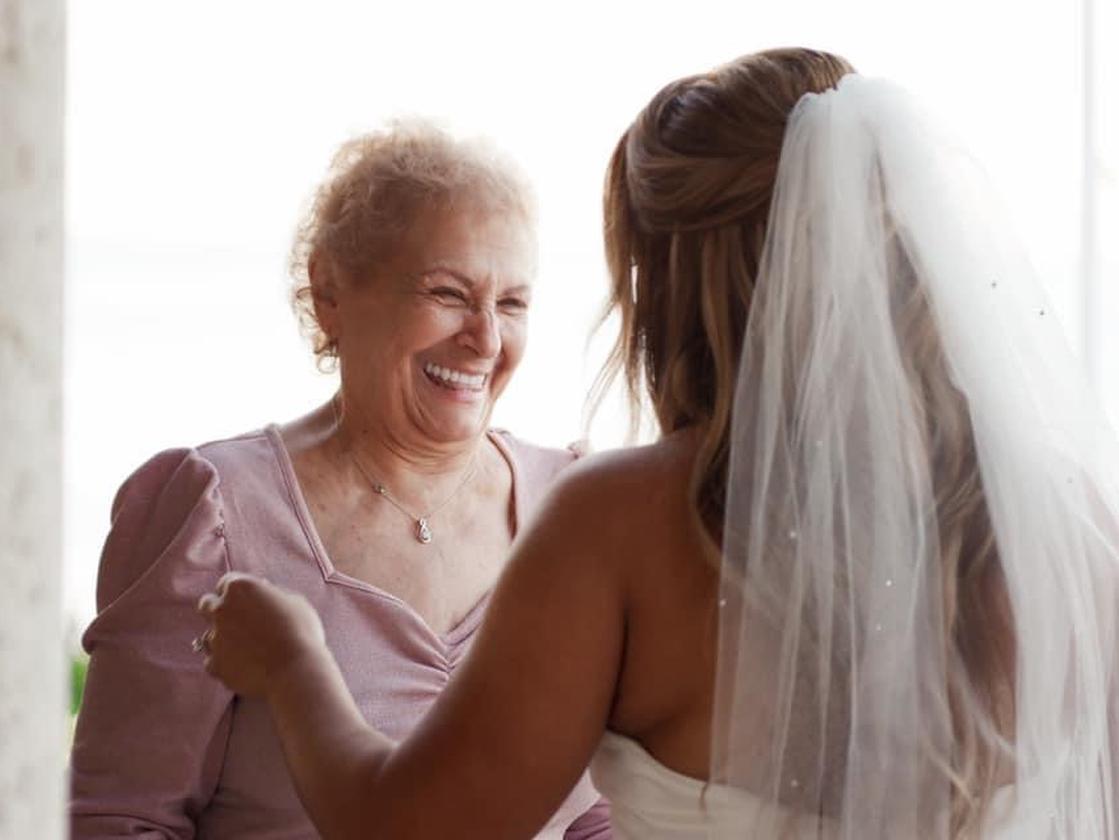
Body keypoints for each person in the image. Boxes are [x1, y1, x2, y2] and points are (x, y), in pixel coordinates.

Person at [198, 48, 1119, 838]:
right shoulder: (1060, 522)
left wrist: (293, 662)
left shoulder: (621, 525)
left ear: (673, 274)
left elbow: (408, 828)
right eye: (447, 293)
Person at [69, 121, 610, 838]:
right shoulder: (216, 512)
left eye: (512, 303)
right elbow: (120, 819)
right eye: (448, 292)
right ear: (329, 292)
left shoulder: (578, 507)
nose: (485, 338)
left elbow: (598, 816)